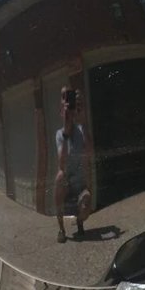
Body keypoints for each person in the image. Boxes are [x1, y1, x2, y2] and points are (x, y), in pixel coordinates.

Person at [54, 86, 92, 243]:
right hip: (66, 181)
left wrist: (82, 120)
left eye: (69, 97)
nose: (67, 102)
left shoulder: (82, 130)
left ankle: (80, 221)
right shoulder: (59, 134)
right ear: (61, 111)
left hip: (79, 181)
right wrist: (66, 131)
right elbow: (62, 164)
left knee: (87, 199)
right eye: (63, 97)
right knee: (60, 176)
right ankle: (61, 229)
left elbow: (89, 153)